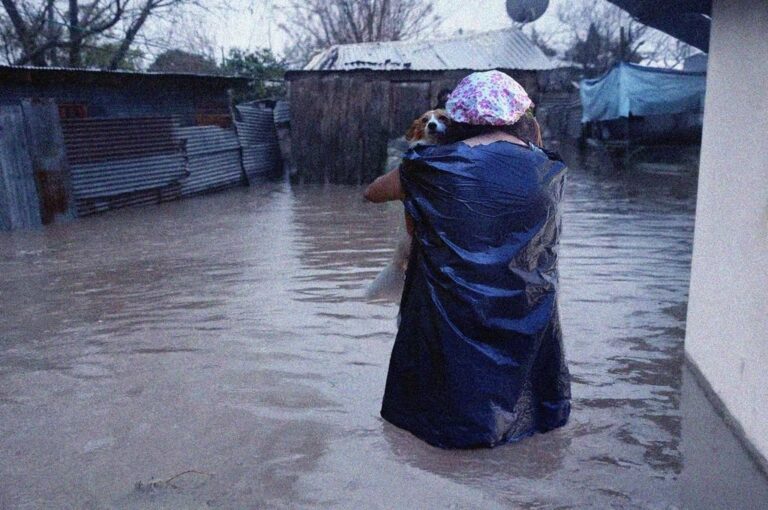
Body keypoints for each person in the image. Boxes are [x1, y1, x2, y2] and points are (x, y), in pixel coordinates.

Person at [364, 71, 571, 448]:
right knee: (530, 431)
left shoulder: (430, 167)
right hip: (528, 309)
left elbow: (373, 193)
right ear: (520, 118)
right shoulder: (549, 169)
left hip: (453, 313)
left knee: (444, 424)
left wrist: (416, 170)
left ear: (457, 119)